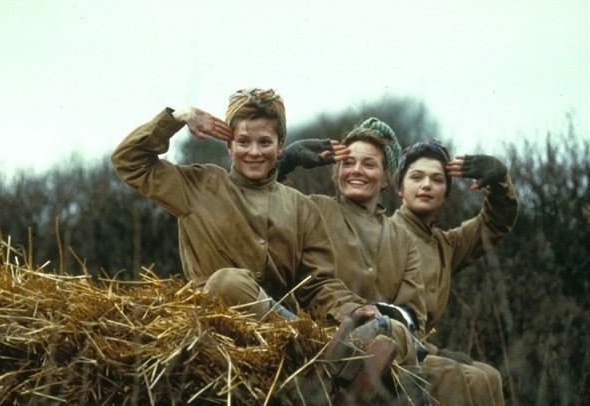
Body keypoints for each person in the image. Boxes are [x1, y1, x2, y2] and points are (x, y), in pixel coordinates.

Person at [111, 88, 400, 401]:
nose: (254, 152)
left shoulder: (301, 207)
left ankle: (337, 357)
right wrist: (178, 117)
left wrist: (356, 311)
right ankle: (321, 352)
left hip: (279, 335)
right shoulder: (199, 185)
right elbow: (128, 161)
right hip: (215, 322)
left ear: (280, 147)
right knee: (228, 281)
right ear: (229, 144)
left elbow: (319, 285)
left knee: (382, 329)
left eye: (265, 142)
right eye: (244, 141)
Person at [277, 118, 482, 405]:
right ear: (336, 173)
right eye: (347, 163)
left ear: (387, 177)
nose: (356, 171)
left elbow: (413, 313)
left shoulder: (402, 238)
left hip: (392, 347)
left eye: (369, 164)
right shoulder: (314, 209)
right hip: (326, 341)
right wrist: (285, 163)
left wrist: (382, 316)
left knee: (462, 375)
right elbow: (265, 198)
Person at [391, 139, 519, 405]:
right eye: (416, 177)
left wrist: (499, 181)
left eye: (437, 180)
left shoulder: (445, 244)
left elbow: (495, 223)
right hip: (394, 350)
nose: (427, 185)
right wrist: (434, 351)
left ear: (446, 193)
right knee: (471, 378)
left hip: (424, 351)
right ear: (399, 188)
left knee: (490, 376)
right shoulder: (385, 232)